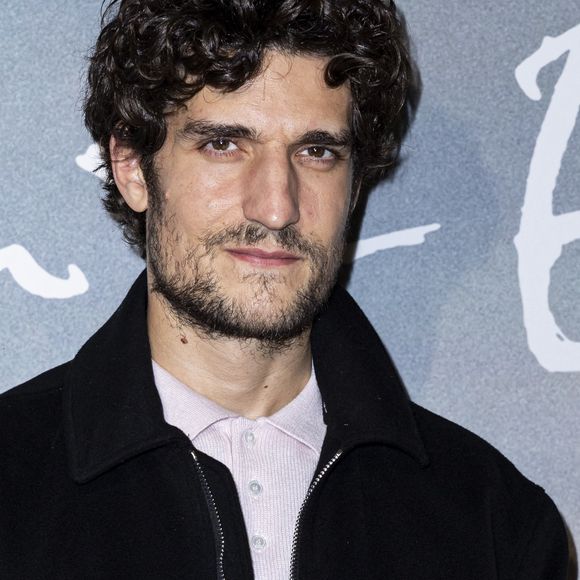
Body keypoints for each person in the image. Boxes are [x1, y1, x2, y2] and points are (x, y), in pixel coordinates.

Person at [0, 0, 569, 578]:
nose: (277, 207)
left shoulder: (496, 523)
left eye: (316, 152)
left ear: (353, 186)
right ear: (132, 168)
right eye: (223, 144)